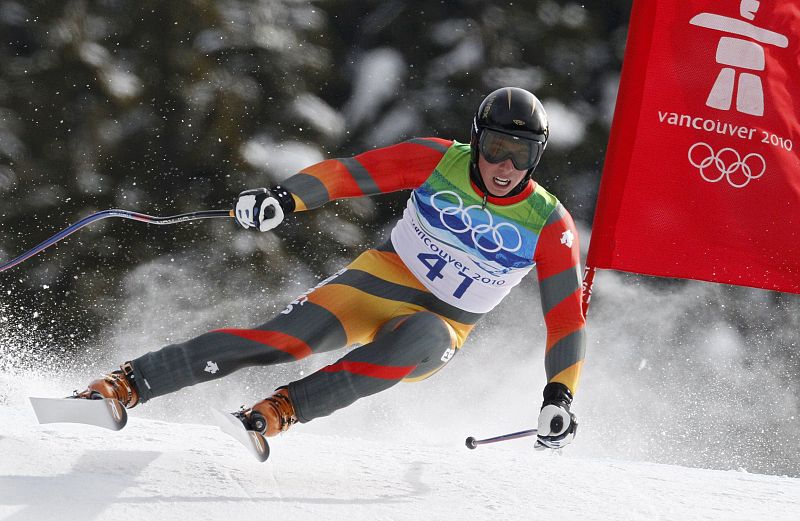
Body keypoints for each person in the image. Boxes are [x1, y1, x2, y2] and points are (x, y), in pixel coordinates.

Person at [76, 87, 586, 450]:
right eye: (497, 148)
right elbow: (348, 175)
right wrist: (284, 197)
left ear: (536, 156)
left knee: (425, 335)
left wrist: (558, 396)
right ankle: (124, 384)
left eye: (521, 155)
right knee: (280, 342)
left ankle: (282, 410)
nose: (506, 167)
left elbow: (566, 320)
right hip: (377, 282)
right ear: (478, 140)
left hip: (446, 324)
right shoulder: (438, 159)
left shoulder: (549, 223)